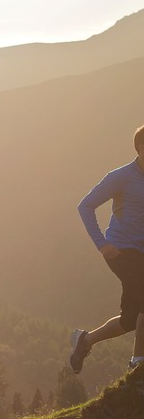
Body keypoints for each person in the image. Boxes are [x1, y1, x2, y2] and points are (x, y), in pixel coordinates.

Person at [70, 124, 144, 373]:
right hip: (121, 250)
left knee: (131, 319)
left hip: (142, 253)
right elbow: (85, 205)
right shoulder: (121, 176)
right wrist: (101, 244)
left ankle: (85, 340)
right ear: (141, 148)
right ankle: (137, 365)